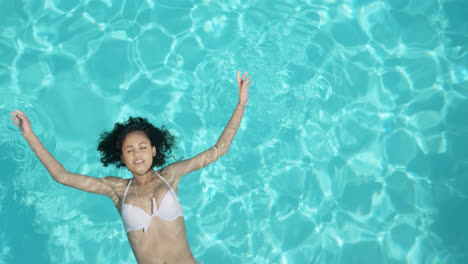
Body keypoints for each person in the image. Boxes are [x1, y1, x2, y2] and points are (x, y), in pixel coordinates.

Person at [10, 71, 252, 264]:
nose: (137, 154)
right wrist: (29, 135)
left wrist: (240, 105)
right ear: (122, 158)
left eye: (142, 147)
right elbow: (62, 176)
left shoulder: (171, 175)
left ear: (154, 150)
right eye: (130, 150)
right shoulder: (115, 189)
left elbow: (217, 150)